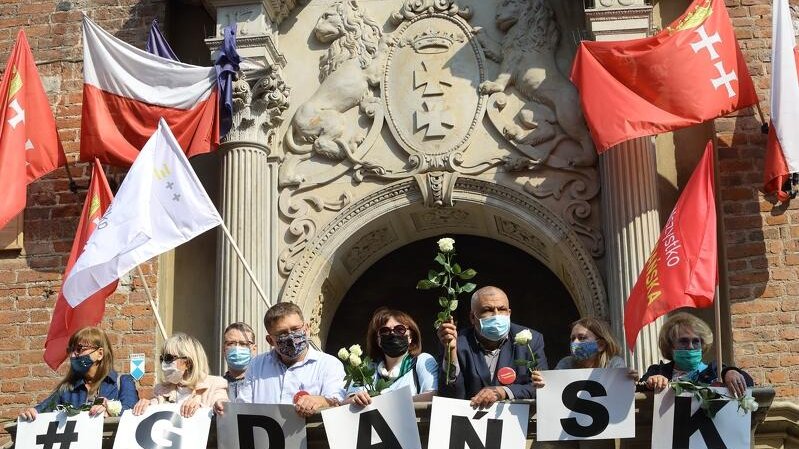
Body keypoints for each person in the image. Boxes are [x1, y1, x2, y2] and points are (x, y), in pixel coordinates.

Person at [436, 286, 548, 408]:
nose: (496, 315)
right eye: (487, 310)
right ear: (473, 317)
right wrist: (451, 351)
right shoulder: (457, 342)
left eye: (502, 309)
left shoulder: (531, 340)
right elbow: (449, 395)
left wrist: (503, 392)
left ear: (509, 313)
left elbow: (539, 387)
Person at [234, 302, 345, 417]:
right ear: (270, 340)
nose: (291, 337)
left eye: (295, 329)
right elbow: (243, 408)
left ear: (307, 329)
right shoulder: (256, 366)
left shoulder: (329, 365)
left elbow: (338, 402)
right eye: (282, 333)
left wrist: (319, 401)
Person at [19, 326, 139, 420]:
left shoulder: (122, 382)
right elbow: (42, 410)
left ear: (100, 354)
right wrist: (32, 413)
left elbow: (131, 412)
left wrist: (109, 413)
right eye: (70, 350)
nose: (72, 355)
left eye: (79, 349)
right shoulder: (67, 389)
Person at [641, 312, 753, 397]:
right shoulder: (657, 371)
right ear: (670, 346)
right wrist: (651, 382)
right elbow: (637, 389)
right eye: (683, 341)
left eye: (695, 341)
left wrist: (731, 372)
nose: (690, 346)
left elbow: (749, 384)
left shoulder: (715, 371)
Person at [344, 308, 438, 406]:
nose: (392, 334)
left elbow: (432, 397)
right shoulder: (367, 369)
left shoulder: (422, 361)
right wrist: (355, 399)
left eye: (400, 330)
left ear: (410, 337)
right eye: (384, 331)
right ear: (378, 341)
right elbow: (345, 402)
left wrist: (386, 403)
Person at [132, 333, 228, 418]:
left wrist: (202, 409)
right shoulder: (161, 390)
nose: (164, 363)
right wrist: (146, 405)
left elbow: (223, 408)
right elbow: (154, 408)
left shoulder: (215, 384)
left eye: (168, 358)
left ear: (188, 363)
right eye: (162, 359)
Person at [532, 317, 635, 388]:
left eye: (582, 338)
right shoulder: (566, 363)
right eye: (572, 339)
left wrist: (630, 382)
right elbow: (552, 388)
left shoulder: (614, 364)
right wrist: (543, 383)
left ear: (601, 345)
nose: (575, 342)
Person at [222, 322, 257, 399]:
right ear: (224, 350)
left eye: (243, 344)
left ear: (254, 349)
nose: (237, 348)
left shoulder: (261, 386)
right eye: (231, 343)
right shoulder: (217, 387)